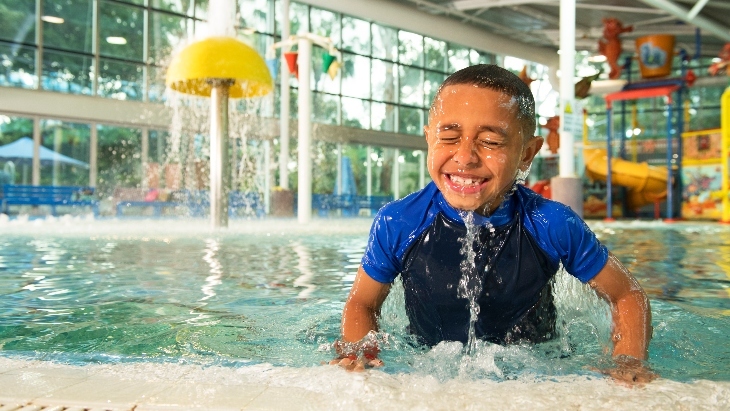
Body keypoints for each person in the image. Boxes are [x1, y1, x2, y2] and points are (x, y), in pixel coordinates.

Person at [331, 64, 654, 383]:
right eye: (449, 136)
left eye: (491, 142)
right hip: (429, 369)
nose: (465, 156)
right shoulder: (399, 221)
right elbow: (363, 301)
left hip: (538, 369)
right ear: (429, 138)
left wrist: (628, 358)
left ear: (527, 153)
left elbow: (627, 294)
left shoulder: (551, 223)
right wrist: (361, 351)